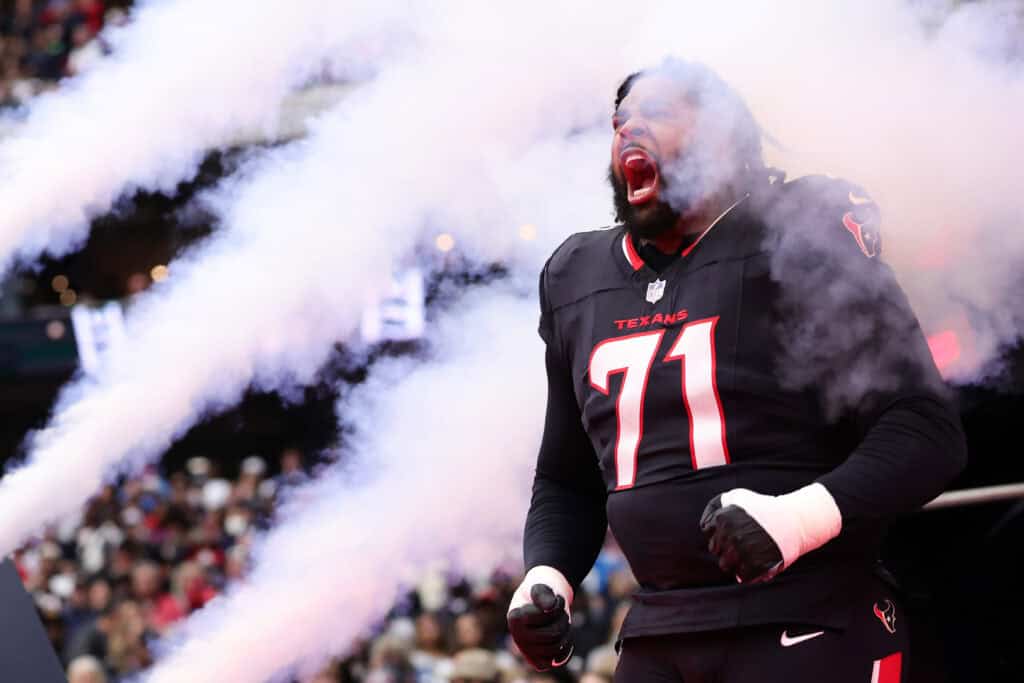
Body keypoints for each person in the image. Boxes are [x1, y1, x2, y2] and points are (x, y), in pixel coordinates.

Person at [507, 57, 967, 682]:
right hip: (659, 634)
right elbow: (567, 477)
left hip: (810, 618)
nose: (628, 129)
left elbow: (924, 429)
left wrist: (797, 517)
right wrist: (546, 574)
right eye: (619, 119)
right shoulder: (575, 275)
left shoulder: (797, 231)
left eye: (659, 113)